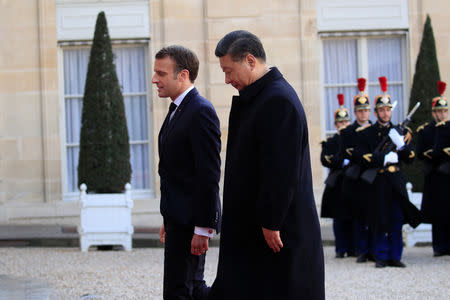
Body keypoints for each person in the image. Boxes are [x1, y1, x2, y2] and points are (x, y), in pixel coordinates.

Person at [208, 30, 324, 300]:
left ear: (250, 60)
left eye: (228, 71)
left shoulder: (277, 100)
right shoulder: (262, 97)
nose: (226, 80)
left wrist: (272, 221)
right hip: (258, 226)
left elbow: (281, 170)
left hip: (275, 231)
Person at [152, 45, 221, 300]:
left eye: (160, 73)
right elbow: (175, 172)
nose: (154, 79)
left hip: (192, 222)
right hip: (178, 219)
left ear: (182, 75)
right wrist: (168, 217)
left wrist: (203, 228)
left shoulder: (200, 110)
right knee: (182, 289)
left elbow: (208, 173)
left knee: (183, 290)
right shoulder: (178, 109)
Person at [355, 76, 420, 268]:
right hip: (379, 180)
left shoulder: (400, 132)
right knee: (379, 218)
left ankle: (395, 255)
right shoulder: (367, 133)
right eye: (382, 110)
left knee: (396, 218)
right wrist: (382, 158)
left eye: (388, 109)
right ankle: (380, 255)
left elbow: (410, 158)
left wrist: (401, 146)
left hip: (396, 179)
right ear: (376, 112)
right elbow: (361, 157)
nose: (385, 113)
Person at [339, 78, 373, 263]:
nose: (363, 113)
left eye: (366, 110)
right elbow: (346, 153)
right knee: (358, 217)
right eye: (360, 111)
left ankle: (373, 249)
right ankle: (360, 249)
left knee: (373, 215)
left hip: (373, 178)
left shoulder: (376, 130)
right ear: (355, 112)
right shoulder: (347, 132)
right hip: (356, 178)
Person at [418, 80, 450, 256]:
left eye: (444, 111)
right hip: (435, 176)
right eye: (439, 111)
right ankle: (439, 246)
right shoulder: (427, 130)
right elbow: (422, 152)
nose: (442, 114)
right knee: (438, 215)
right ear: (433, 112)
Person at [320, 94, 353, 258]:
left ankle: (353, 248)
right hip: (337, 183)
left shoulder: (354, 138)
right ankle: (341, 248)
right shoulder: (332, 142)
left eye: (346, 122)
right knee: (338, 218)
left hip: (352, 181)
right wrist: (341, 161)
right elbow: (325, 159)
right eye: (340, 122)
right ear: (335, 124)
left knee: (353, 216)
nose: (343, 125)